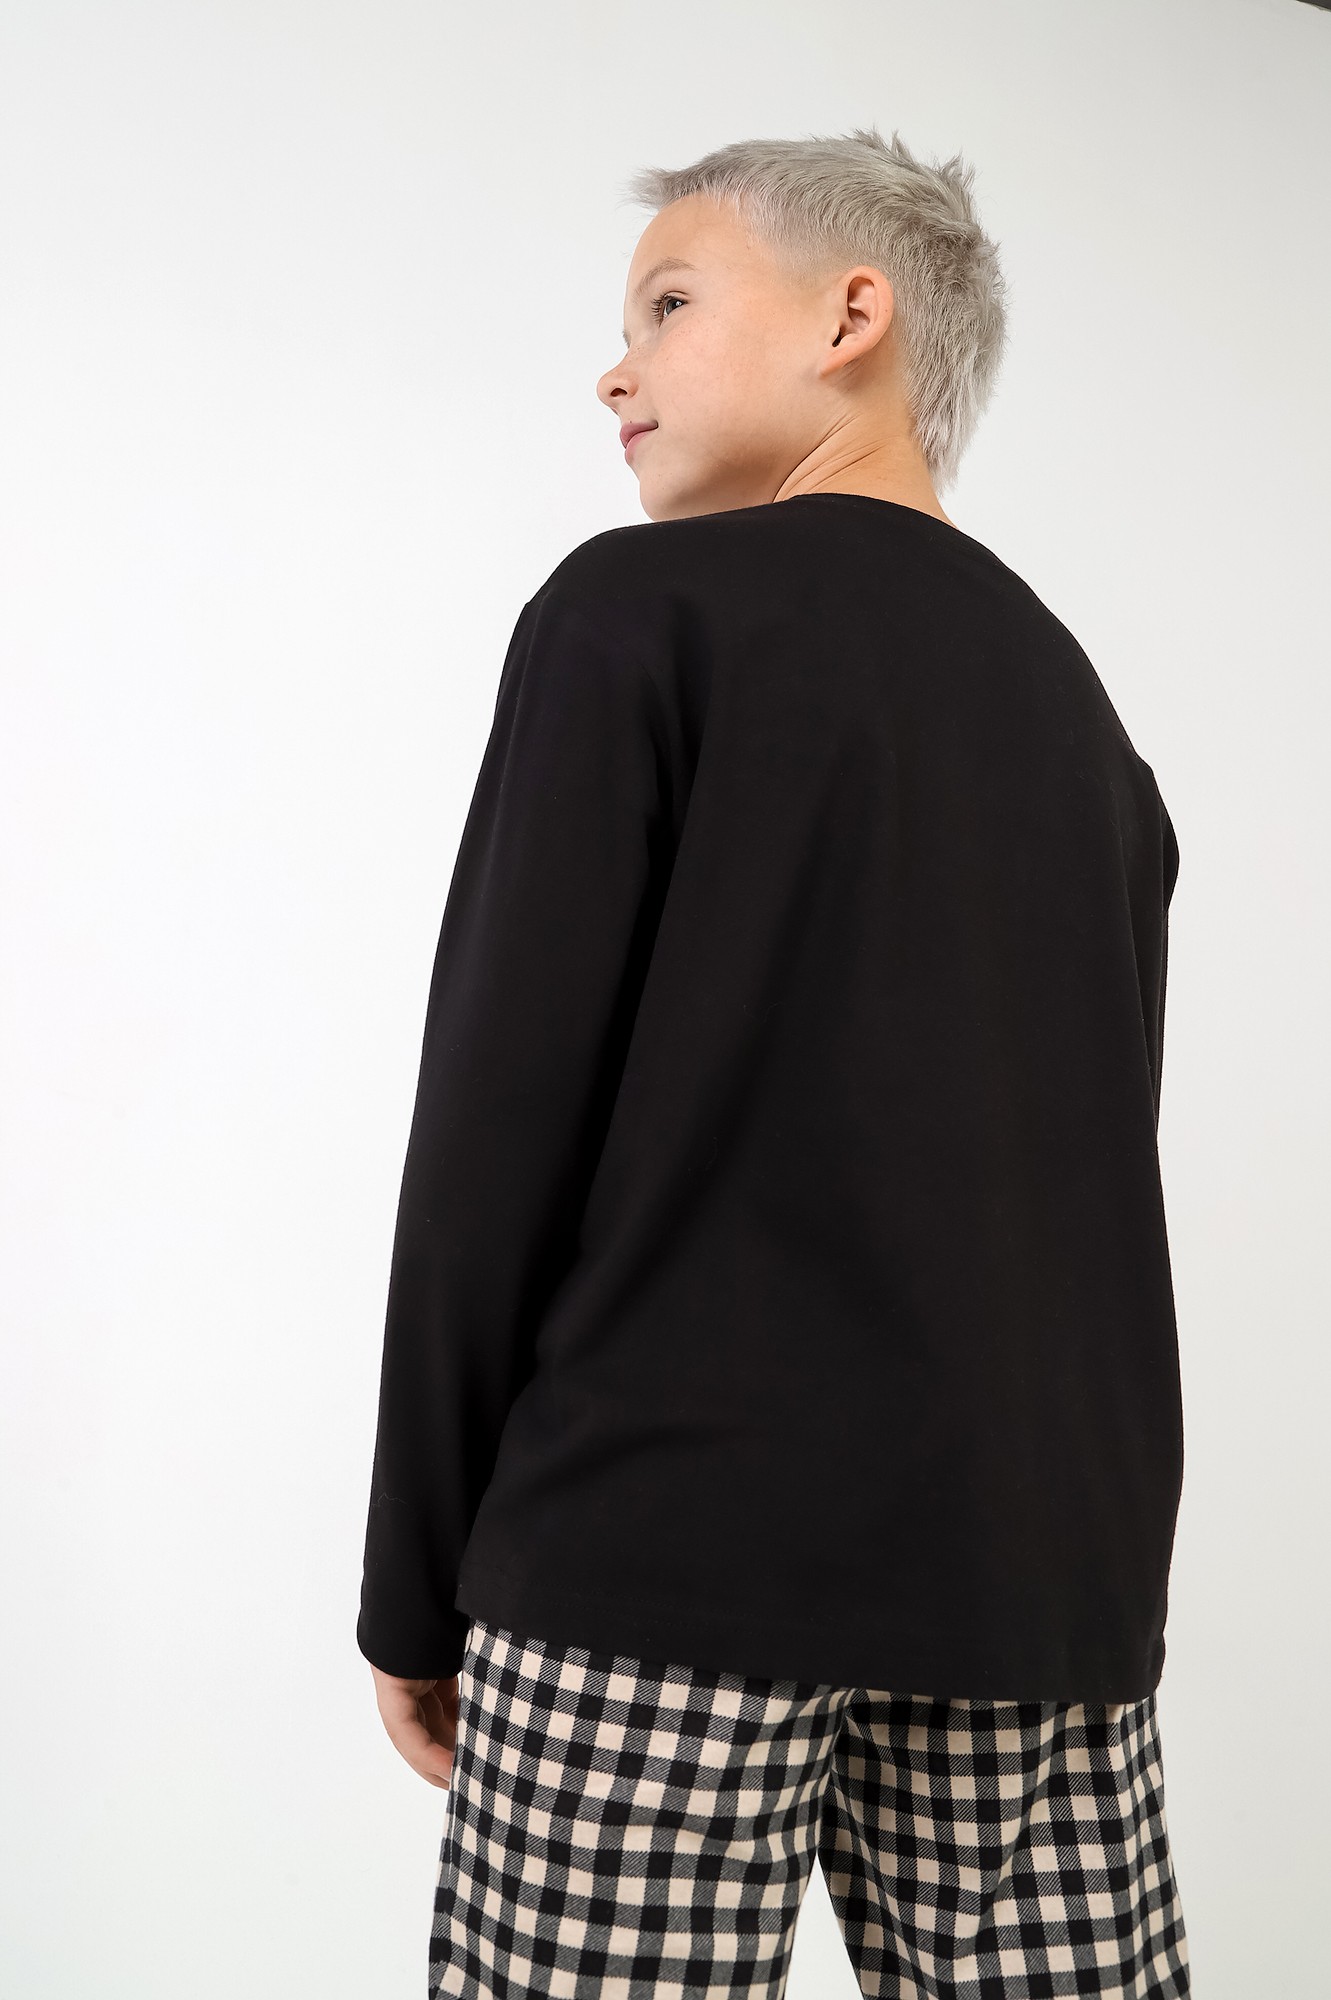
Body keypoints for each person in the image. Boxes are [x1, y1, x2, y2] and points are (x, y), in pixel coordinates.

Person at [358, 124, 1190, 1997]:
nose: (616, 369)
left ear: (852, 316)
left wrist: (417, 1575)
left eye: (665, 303)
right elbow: (1079, 1178)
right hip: (1040, 1579)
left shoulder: (635, 616)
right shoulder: (1089, 731)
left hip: (657, 1559)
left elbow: (493, 1137)